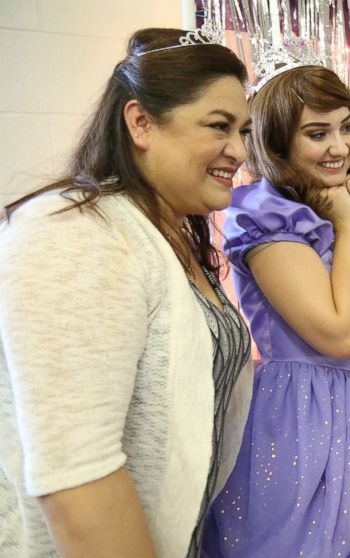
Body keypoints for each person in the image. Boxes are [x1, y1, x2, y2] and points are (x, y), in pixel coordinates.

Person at [0, 28, 253, 557]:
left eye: (244, 131)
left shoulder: (169, 232)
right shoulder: (76, 231)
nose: (239, 151)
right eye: (219, 126)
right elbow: (78, 480)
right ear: (140, 122)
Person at [201, 63, 350, 557]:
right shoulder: (264, 213)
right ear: (277, 142)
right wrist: (344, 223)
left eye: (345, 127)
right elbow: (338, 337)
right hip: (301, 413)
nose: (340, 146)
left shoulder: (334, 205)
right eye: (318, 133)